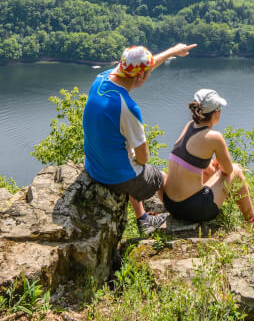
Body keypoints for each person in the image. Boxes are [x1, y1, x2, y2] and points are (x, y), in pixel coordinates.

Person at [83, 43, 196, 234]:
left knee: (128, 154)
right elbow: (143, 159)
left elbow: (143, 67)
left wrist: (172, 51)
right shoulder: (127, 108)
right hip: (113, 176)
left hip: (94, 165)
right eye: (147, 73)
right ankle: (181, 218)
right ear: (140, 76)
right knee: (160, 177)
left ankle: (143, 218)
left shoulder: (102, 79)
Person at [162, 89, 254, 228]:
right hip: (192, 211)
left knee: (209, 166)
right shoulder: (214, 137)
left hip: (171, 205)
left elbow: (194, 162)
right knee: (236, 170)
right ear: (216, 113)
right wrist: (220, 164)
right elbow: (228, 170)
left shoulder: (189, 127)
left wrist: (214, 164)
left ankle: (230, 207)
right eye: (220, 109)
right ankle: (252, 219)